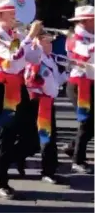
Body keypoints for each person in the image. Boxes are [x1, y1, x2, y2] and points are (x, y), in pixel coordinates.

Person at [0, 0, 42, 199]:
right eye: (10, 13)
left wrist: (34, 42)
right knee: (6, 138)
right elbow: (14, 57)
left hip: (19, 87)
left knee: (32, 140)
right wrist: (28, 38)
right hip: (3, 89)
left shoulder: (13, 34)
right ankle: (1, 184)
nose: (15, 16)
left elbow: (32, 59)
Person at [24, 31, 68, 184]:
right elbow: (50, 87)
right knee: (45, 138)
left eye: (51, 42)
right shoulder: (38, 62)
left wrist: (68, 71)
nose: (51, 45)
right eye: (47, 42)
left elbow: (57, 82)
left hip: (48, 102)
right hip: (40, 103)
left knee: (49, 137)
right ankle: (47, 171)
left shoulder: (49, 59)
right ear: (38, 43)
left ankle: (51, 168)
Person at [62, 5, 94, 174]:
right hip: (79, 83)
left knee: (91, 122)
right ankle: (77, 160)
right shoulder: (75, 37)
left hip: (90, 81)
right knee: (86, 121)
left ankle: (72, 147)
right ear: (88, 20)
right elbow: (84, 55)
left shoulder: (90, 35)